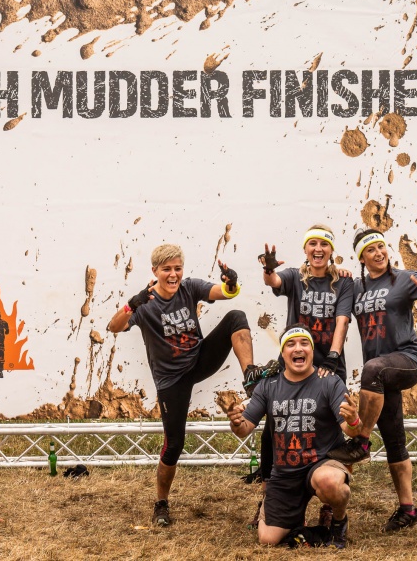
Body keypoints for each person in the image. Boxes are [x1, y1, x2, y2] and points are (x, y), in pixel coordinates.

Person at [107, 243, 271, 527]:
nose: (173, 275)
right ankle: (161, 503)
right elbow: (114, 327)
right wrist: (132, 304)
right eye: (166, 269)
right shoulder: (145, 303)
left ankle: (250, 378)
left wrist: (231, 282)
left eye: (177, 268)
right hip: (172, 380)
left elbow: (224, 292)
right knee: (174, 445)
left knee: (236, 317)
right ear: (155, 271)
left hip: (199, 359)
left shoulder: (189, 287)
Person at [327, 228, 417, 533]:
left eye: (381, 246)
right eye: (371, 249)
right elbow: (331, 292)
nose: (379, 252)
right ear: (362, 258)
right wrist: (337, 272)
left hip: (406, 360)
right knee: (395, 439)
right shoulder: (356, 287)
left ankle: (361, 441)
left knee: (372, 369)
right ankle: (408, 510)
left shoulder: (405, 279)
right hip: (380, 378)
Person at [247, 224, 354, 525]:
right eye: (312, 244)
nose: (318, 249)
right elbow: (274, 280)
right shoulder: (296, 276)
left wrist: (333, 358)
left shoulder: (343, 282)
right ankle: (269, 497)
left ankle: (330, 505)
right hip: (294, 362)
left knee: (337, 432)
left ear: (331, 250)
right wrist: (268, 269)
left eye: (324, 244)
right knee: (275, 429)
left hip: (329, 365)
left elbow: (342, 320)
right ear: (305, 249)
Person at [229, 325, 362, 548]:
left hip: (322, 463)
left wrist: (353, 420)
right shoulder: (268, 386)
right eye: (290, 344)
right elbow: (245, 428)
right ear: (283, 353)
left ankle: (338, 522)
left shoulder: (329, 382)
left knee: (329, 481)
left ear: (312, 351)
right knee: (268, 539)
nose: (298, 348)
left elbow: (351, 431)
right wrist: (236, 423)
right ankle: (300, 524)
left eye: (304, 343)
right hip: (285, 473)